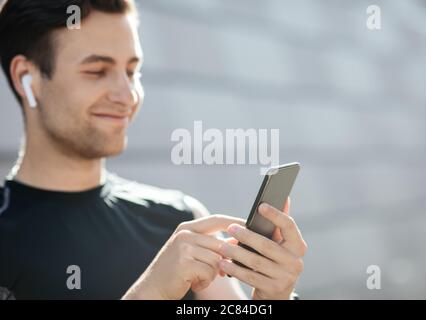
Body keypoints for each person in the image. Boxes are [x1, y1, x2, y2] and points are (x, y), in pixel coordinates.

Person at [0, 0, 307, 300]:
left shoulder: (179, 220)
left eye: (132, 72)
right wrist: (153, 292)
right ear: (27, 78)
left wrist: (273, 297)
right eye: (96, 71)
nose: (127, 95)